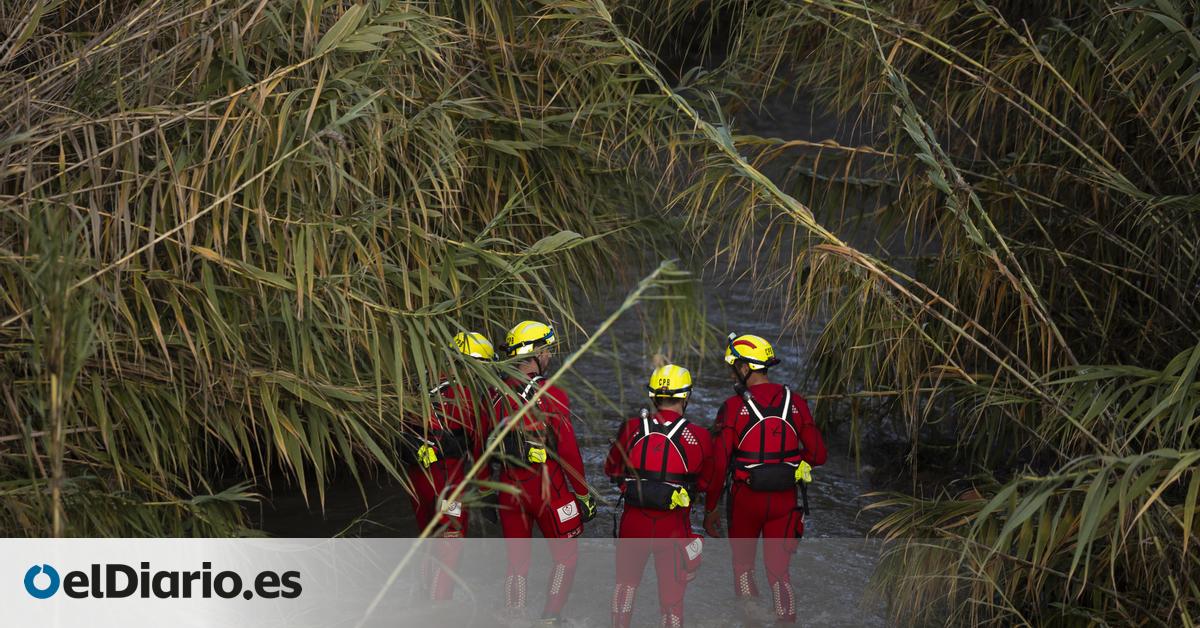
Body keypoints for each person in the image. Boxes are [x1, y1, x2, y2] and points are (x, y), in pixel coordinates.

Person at [703, 333, 827, 624]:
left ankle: (751, 618)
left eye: (733, 366)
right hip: (785, 500)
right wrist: (793, 465)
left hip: (745, 499)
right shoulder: (795, 402)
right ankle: (786, 620)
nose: (731, 372)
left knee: (743, 567)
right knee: (779, 573)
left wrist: (711, 509)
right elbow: (819, 455)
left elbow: (719, 466)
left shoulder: (732, 407)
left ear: (745, 368)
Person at [486, 320, 595, 625]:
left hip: (508, 487)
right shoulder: (552, 394)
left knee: (516, 564)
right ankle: (550, 617)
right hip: (548, 487)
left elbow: (483, 447)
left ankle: (514, 614)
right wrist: (584, 495)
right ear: (535, 353)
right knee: (566, 558)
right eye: (547, 349)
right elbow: (569, 451)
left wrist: (486, 492)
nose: (549, 355)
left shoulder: (494, 394)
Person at [605, 364, 712, 628]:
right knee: (672, 601)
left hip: (634, 521)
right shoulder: (699, 436)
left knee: (625, 588)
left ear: (653, 396)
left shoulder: (631, 427)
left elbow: (611, 469)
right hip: (674, 526)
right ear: (686, 397)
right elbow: (707, 483)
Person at [401, 331, 494, 600]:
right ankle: (439, 607)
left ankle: (421, 596)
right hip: (447, 486)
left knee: (430, 540)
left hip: (416, 482)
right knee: (451, 541)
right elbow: (480, 451)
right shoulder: (469, 397)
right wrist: (487, 491)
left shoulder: (421, 386)